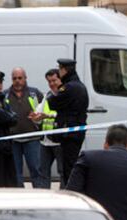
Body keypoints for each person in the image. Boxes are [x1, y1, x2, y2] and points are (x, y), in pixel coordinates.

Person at [47, 58, 89, 187]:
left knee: (68, 168)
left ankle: (72, 191)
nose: (59, 72)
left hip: (70, 134)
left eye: (60, 69)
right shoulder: (79, 85)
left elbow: (52, 102)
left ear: (65, 70)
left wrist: (51, 94)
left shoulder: (69, 87)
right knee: (69, 166)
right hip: (74, 133)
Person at [5, 67, 43, 188]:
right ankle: (19, 200)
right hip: (13, 141)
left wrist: (39, 117)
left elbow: (45, 111)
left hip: (32, 140)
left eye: (20, 78)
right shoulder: (4, 95)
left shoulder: (35, 93)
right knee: (16, 173)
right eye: (14, 78)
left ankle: (38, 199)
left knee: (36, 171)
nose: (17, 81)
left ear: (25, 78)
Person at [30, 69, 64, 189]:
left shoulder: (65, 94)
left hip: (60, 141)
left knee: (63, 172)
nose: (51, 83)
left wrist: (48, 115)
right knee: (42, 173)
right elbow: (39, 115)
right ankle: (44, 200)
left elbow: (66, 115)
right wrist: (35, 117)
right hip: (45, 141)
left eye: (54, 80)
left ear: (60, 79)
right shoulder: (48, 95)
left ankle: (64, 200)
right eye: (49, 81)